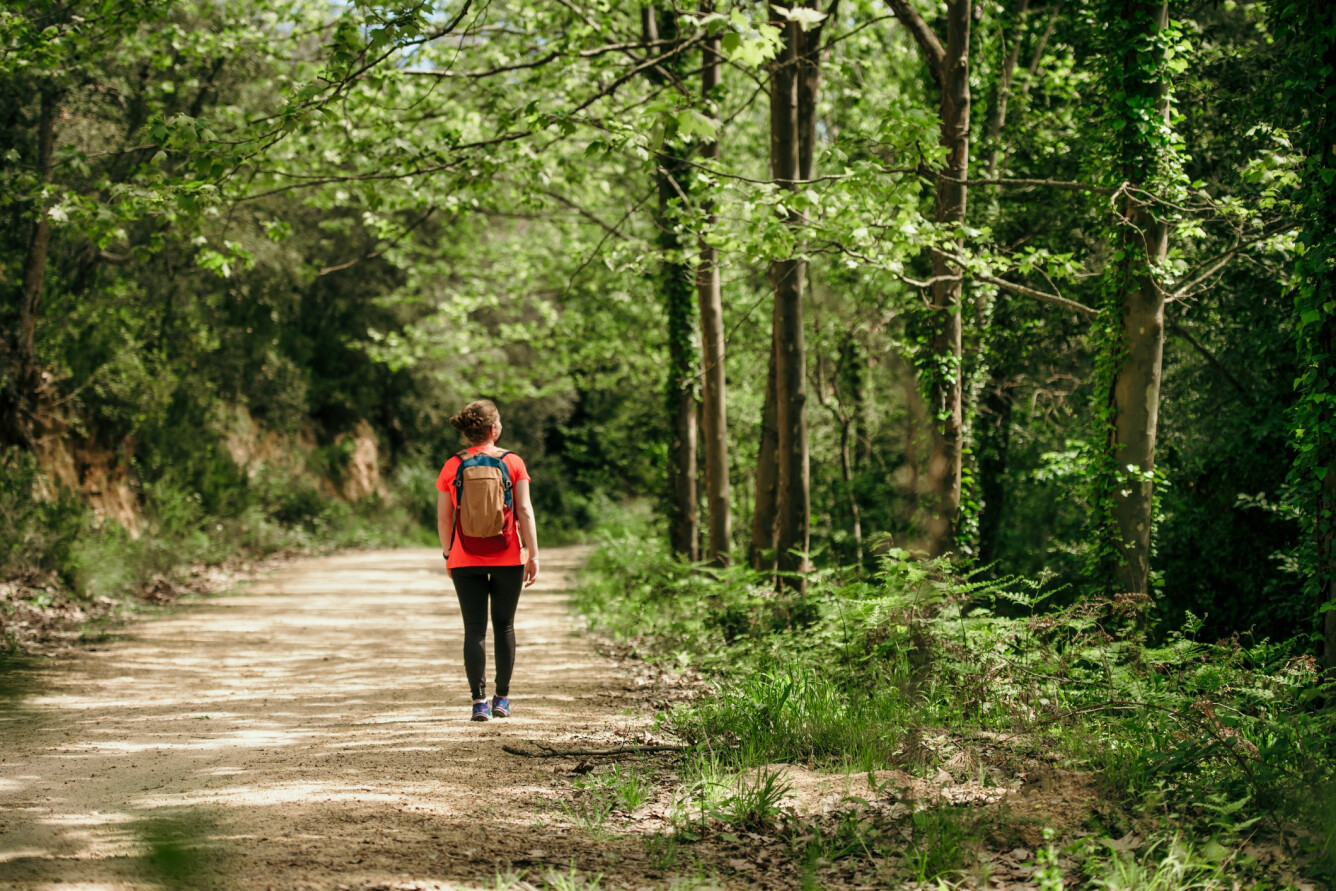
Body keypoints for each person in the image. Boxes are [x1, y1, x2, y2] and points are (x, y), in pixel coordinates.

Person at [436, 399, 540, 722]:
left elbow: (443, 518)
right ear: (493, 430)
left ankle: (478, 702)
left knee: (474, 630)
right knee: (505, 625)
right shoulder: (514, 462)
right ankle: (502, 699)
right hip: (508, 554)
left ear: (468, 433)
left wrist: (448, 553)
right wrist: (533, 553)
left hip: (465, 557)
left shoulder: (452, 466)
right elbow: (523, 511)